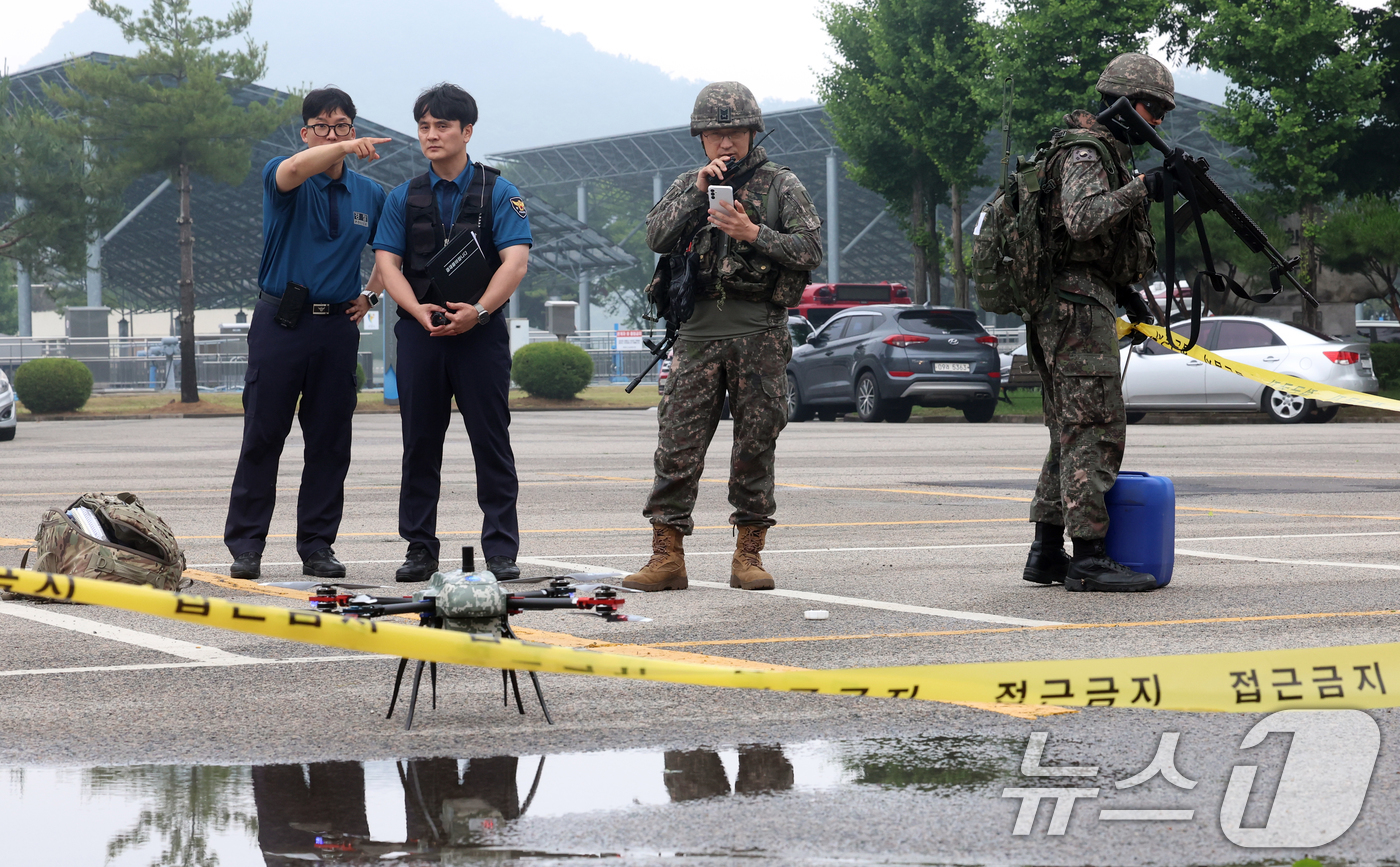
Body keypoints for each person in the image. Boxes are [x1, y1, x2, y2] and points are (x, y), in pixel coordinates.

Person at [623, 81, 822, 593]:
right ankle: (666, 556)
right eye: (714, 134)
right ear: (702, 139)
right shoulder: (689, 185)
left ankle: (748, 555)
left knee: (755, 445)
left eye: (734, 132)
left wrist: (751, 232)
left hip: (759, 332)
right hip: (695, 335)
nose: (725, 144)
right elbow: (655, 236)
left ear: (753, 132)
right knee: (677, 445)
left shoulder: (782, 185)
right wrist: (695, 191)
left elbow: (810, 249)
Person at [1021, 53, 1172, 593]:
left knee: (1070, 433)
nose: (1157, 122)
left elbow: (1081, 241)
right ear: (1126, 105)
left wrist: (1126, 290)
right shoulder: (1087, 151)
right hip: (1073, 309)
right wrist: (1142, 189)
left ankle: (1046, 551)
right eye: (1153, 110)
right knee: (1096, 429)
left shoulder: (1096, 151)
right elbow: (1082, 220)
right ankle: (1087, 556)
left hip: (1077, 299)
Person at [225, 87, 388, 581]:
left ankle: (317, 545)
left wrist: (372, 295)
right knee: (263, 434)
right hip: (281, 323)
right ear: (305, 133)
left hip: (337, 327)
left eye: (342, 126)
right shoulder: (285, 175)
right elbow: (296, 169)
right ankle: (247, 546)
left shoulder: (370, 194)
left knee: (330, 440)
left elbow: (388, 252)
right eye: (322, 125)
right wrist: (336, 150)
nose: (332, 133)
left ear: (354, 129)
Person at [372, 84, 531, 583]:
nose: (431, 135)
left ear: (467, 131)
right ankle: (420, 548)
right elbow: (386, 263)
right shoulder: (403, 196)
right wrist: (416, 311)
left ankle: (501, 549)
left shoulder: (500, 192)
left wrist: (480, 312)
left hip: (480, 333)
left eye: (442, 126)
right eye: (424, 126)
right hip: (421, 333)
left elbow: (516, 261)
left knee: (491, 441)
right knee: (419, 443)